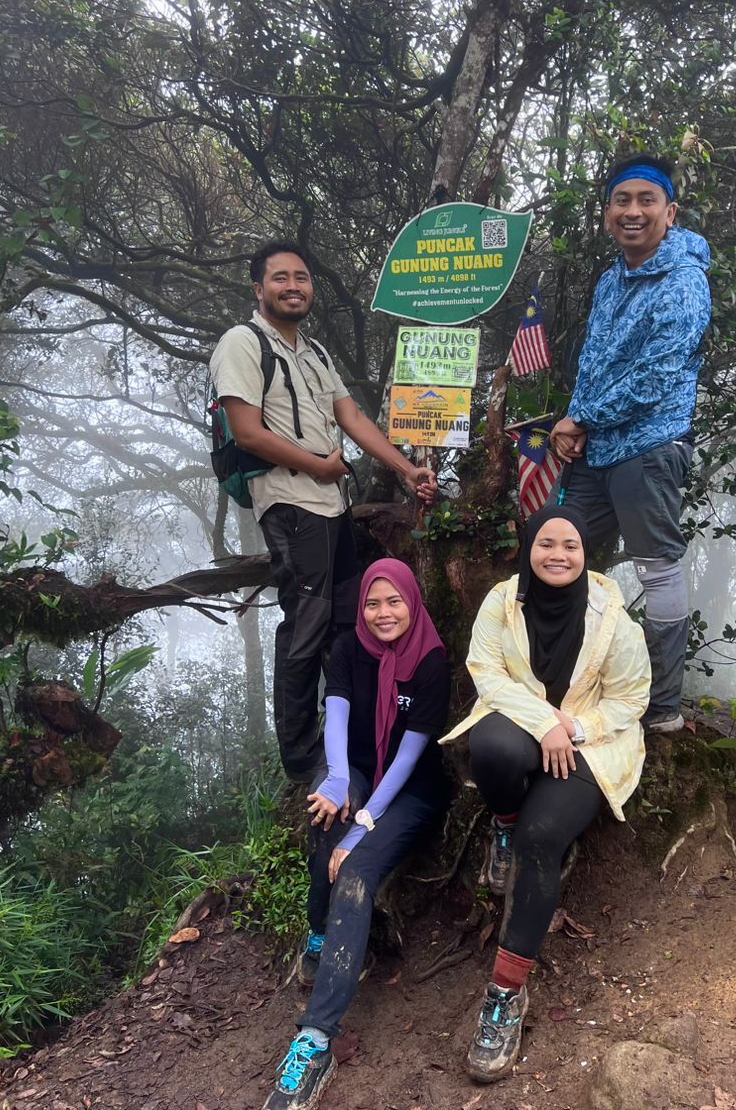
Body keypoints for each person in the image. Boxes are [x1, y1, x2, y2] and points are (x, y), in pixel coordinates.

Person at [210, 241, 437, 780]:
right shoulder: (241, 344)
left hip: (332, 505)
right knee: (306, 625)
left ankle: (348, 740)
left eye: (302, 278)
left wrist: (406, 470)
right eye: (280, 278)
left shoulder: (313, 351)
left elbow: (352, 417)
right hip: (291, 503)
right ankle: (302, 759)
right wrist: (317, 466)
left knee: (343, 623)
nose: (293, 286)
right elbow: (246, 431)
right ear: (258, 288)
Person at [441, 504, 650, 1084]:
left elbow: (631, 700)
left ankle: (506, 992)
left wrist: (574, 729)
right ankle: (501, 822)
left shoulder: (612, 618)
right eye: (546, 544)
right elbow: (487, 672)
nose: (558, 555)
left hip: (593, 741)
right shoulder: (502, 602)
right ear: (529, 548)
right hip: (527, 723)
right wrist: (546, 723)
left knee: (543, 838)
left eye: (571, 546)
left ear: (587, 556)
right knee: (494, 751)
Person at [263, 559, 451, 1110]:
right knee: (327, 809)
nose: (383, 613)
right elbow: (338, 719)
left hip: (410, 789)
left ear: (412, 603)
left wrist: (363, 826)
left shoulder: (431, 660)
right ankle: (319, 935)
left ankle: (315, 1038)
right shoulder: (348, 648)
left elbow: (412, 754)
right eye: (373, 602)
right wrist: (342, 781)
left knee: (354, 873)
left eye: (394, 602)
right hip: (361, 769)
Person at [549, 154, 711, 734]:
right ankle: (565, 690)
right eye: (622, 201)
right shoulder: (610, 278)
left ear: (669, 213)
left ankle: (663, 708)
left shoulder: (684, 279)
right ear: (608, 214)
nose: (633, 211)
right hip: (597, 449)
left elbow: (659, 375)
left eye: (647, 201)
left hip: (648, 446)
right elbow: (594, 365)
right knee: (558, 558)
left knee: (658, 569)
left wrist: (581, 418)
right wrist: (576, 420)